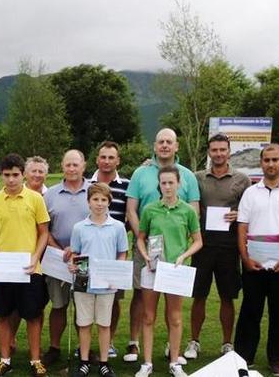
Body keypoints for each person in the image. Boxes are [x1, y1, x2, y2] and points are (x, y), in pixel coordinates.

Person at [124, 128, 200, 363]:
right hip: (147, 248)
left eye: (169, 142)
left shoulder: (187, 175)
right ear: (154, 146)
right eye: (160, 142)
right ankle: (134, 343)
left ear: (177, 146)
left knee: (173, 305)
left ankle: (171, 347)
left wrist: (182, 243)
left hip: (176, 250)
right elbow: (132, 210)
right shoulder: (141, 172)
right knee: (141, 295)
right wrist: (143, 241)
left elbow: (193, 210)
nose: (165, 145)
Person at [234, 144, 279, 377]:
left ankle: (276, 359)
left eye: (275, 159)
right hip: (253, 264)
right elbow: (242, 227)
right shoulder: (250, 193)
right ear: (261, 162)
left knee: (278, 312)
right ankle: (244, 358)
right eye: (266, 160)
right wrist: (245, 258)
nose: (271, 164)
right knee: (250, 311)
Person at [0, 153, 50, 377]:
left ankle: (35, 360)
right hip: (2, 269)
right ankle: (5, 360)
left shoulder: (35, 199)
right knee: (3, 315)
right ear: (1, 175)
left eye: (15, 175)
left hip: (30, 269)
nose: (11, 180)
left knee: (32, 315)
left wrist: (35, 257)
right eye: (6, 175)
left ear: (23, 175)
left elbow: (43, 233)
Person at [184, 134, 250, 359]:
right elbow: (189, 206)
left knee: (227, 296)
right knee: (199, 295)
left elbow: (249, 212)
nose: (219, 154)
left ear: (229, 151)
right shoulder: (197, 178)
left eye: (223, 149)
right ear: (209, 152)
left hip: (229, 247)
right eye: (215, 150)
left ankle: (227, 343)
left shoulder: (242, 179)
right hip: (202, 245)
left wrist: (239, 214)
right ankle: (194, 341)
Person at [134, 166, 202, 377]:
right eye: (163, 183)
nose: (167, 186)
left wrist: (183, 256)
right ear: (159, 185)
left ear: (179, 184)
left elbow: (198, 241)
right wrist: (145, 255)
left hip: (175, 270)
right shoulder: (150, 210)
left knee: (175, 318)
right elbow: (141, 237)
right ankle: (146, 363)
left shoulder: (188, 211)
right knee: (148, 316)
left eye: (171, 182)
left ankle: (174, 362)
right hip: (152, 269)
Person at [68, 183, 128, 377]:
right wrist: (73, 264)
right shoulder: (79, 227)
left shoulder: (117, 227)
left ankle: (104, 362)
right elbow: (75, 253)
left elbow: (122, 253)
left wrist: (116, 273)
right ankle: (84, 361)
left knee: (104, 324)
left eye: (103, 200)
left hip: (106, 283)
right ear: (88, 202)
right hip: (83, 282)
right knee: (84, 324)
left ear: (109, 202)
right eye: (95, 199)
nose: (99, 204)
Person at [41, 149, 90, 366]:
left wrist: (79, 251)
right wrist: (59, 250)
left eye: (75, 165)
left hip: (85, 260)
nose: (71, 169)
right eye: (68, 165)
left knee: (83, 306)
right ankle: (54, 347)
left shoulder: (93, 191)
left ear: (84, 166)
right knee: (58, 305)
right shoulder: (49, 194)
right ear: (62, 166)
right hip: (57, 258)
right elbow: (43, 229)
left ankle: (83, 348)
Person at [90, 141, 131, 359]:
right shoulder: (87, 183)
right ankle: (85, 344)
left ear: (118, 161)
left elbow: (132, 216)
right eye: (103, 157)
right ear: (97, 159)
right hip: (89, 253)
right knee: (85, 299)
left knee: (113, 300)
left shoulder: (127, 185)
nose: (106, 161)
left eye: (111, 157)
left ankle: (110, 342)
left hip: (116, 254)